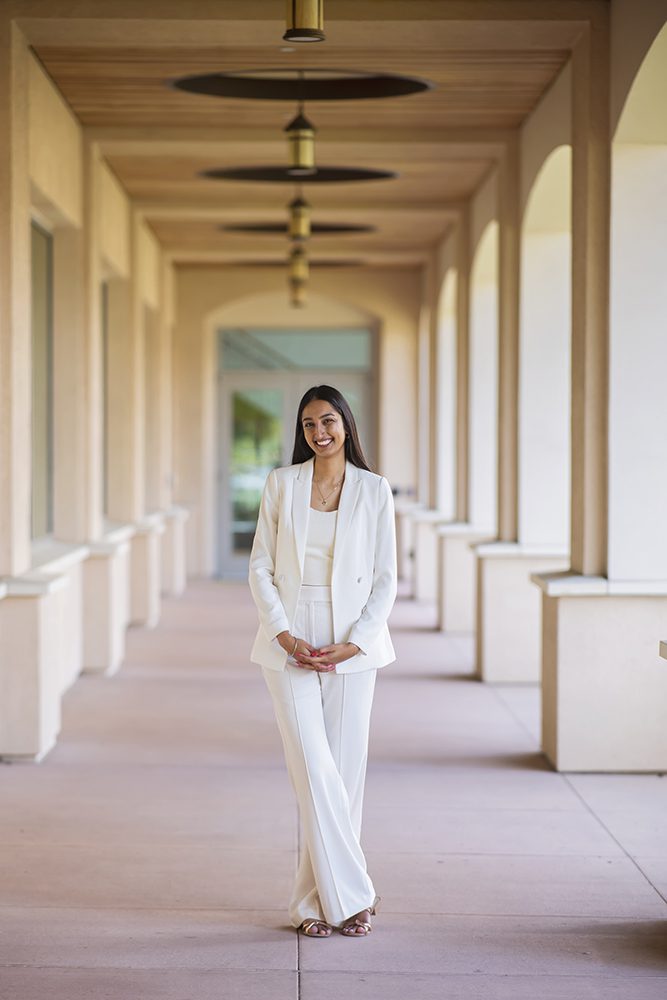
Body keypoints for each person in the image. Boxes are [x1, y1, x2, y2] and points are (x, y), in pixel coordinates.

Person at [248, 384, 398, 938]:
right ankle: (355, 894)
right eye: (309, 424)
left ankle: (314, 904)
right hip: (289, 636)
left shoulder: (375, 490)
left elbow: (385, 578)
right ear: (301, 431)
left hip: (352, 641)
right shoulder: (281, 484)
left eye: (328, 421)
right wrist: (284, 633)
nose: (319, 433)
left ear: (346, 424)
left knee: (344, 775)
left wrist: (357, 640)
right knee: (313, 768)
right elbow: (260, 565)